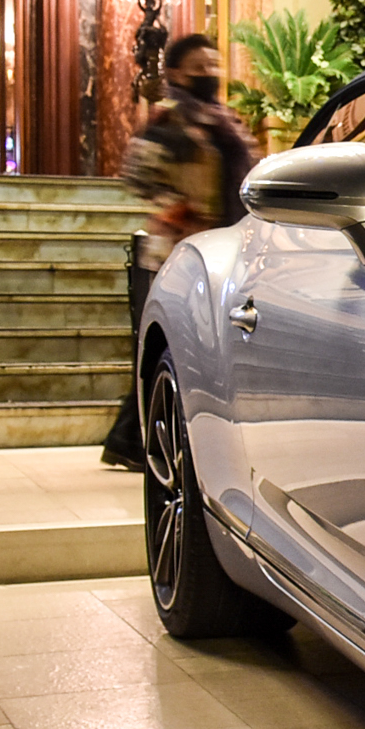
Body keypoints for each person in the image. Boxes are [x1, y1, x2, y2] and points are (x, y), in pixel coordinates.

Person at [100, 33, 257, 469]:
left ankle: (133, 441)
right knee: (175, 346)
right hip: (177, 253)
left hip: (224, 249)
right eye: (199, 67)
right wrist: (179, 209)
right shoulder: (169, 120)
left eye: (214, 64)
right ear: (175, 74)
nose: (210, 73)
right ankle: (138, 441)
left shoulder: (223, 120)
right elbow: (138, 175)